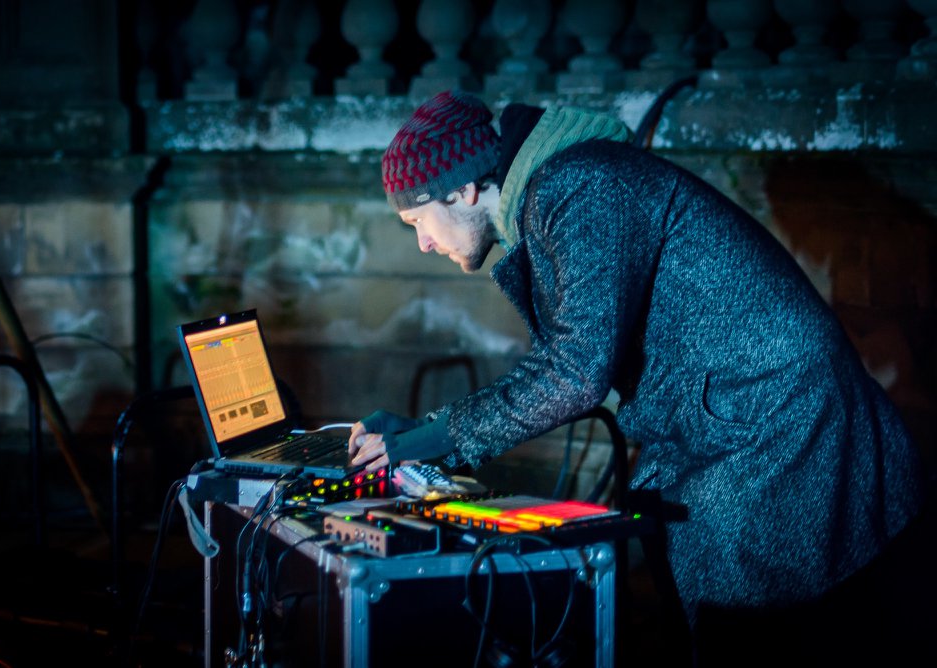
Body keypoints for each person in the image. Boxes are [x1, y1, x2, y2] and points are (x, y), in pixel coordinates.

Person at [347, 91, 930, 665]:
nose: (423, 243)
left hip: (779, 423)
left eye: (418, 221)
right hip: (743, 419)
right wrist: (426, 432)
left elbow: (574, 373)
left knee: (765, 636)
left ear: (465, 189)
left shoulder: (577, 186)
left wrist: (431, 440)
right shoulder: (557, 188)